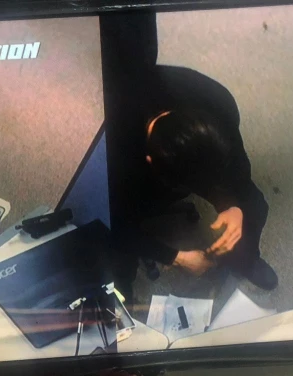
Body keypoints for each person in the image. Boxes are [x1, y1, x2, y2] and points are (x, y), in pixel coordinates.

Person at [101, 13, 277, 292]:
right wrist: (175, 257)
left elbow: (239, 170)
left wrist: (234, 207)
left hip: (188, 153)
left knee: (254, 204)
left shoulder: (219, 105)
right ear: (150, 162)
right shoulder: (113, 139)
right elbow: (114, 222)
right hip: (134, 165)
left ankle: (245, 260)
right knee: (115, 243)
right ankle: (121, 291)